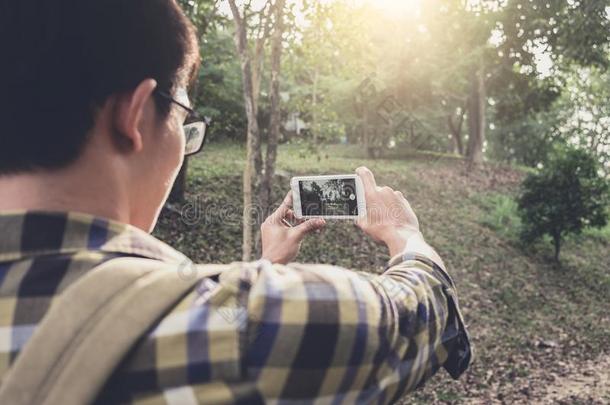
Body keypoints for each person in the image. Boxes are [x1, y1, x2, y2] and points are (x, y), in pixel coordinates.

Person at [0, 1, 471, 403]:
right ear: (137, 114)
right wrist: (405, 236)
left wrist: (267, 262)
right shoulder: (227, 331)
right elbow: (417, 316)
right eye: (183, 117)